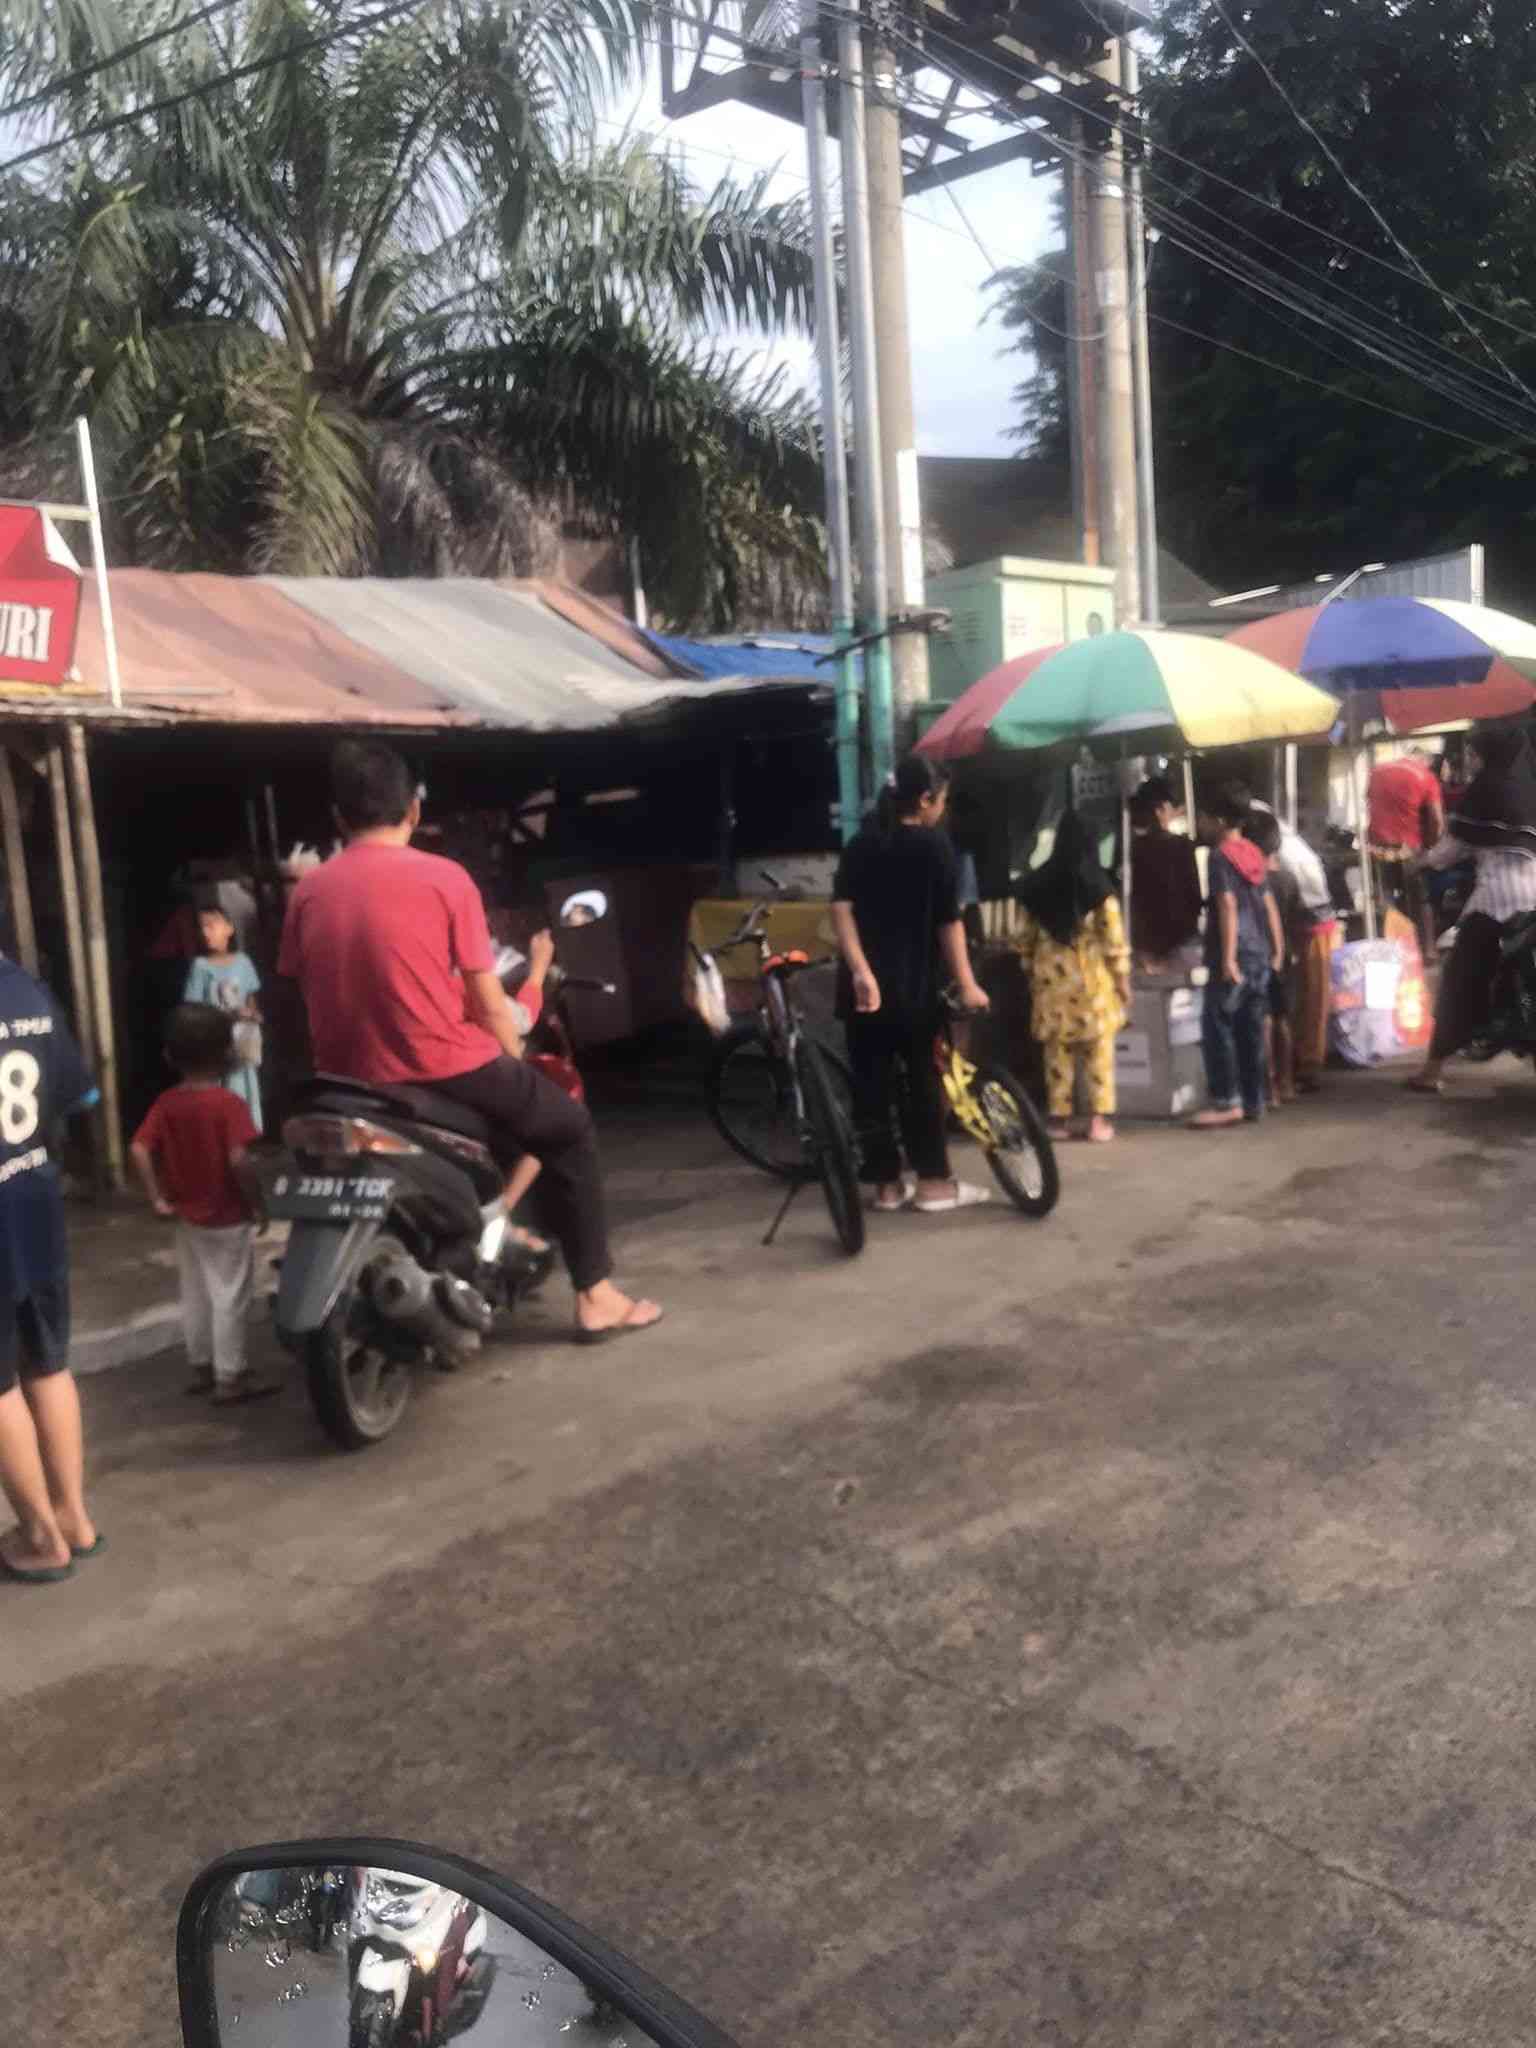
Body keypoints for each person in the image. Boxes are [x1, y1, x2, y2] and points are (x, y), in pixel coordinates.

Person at [278, 741, 659, 1341]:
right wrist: (515, 1056)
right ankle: (597, 1295)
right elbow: (485, 999)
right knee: (568, 1128)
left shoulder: (308, 892)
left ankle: (491, 1238)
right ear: (411, 810)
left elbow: (303, 988)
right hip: (440, 1065)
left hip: (345, 1079)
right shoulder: (444, 878)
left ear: (338, 818)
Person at [831, 755, 991, 1214]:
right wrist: (967, 982)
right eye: (941, 800)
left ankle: (885, 1186)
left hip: (863, 991)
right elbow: (949, 923)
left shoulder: (860, 844)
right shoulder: (934, 846)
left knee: (871, 1085)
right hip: (914, 989)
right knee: (922, 1082)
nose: (942, 809)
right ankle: (933, 1184)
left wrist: (861, 970)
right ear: (925, 800)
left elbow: (841, 911)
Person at [0, 951, 102, 1583]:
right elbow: (79, 1094)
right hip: (34, 1198)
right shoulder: (27, 989)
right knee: (48, 1361)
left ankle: (40, 1538)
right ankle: (73, 1517)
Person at [131, 1004, 276, 1406]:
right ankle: (230, 1377)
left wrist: (157, 1197)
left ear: (169, 1055)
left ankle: (201, 1367)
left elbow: (140, 1148)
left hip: (186, 1216)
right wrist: (258, 1204)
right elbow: (239, 1162)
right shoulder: (229, 1104)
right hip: (227, 1217)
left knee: (195, 1292)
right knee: (230, 1296)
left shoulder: (166, 1103)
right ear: (227, 1053)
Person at [1407, 727, 1536, 1094]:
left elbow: (1451, 850)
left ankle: (1432, 1071)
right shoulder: (1529, 786)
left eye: (1473, 753)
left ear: (1487, 754)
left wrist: (1420, 863)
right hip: (1534, 902)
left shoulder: (1485, 791)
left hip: (1496, 904)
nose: (1470, 760)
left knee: (1459, 985)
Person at [1013, 808, 1130, 1143]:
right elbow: (1114, 944)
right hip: (1093, 988)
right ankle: (1097, 1121)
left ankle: (1059, 1121)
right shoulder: (1100, 888)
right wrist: (1123, 985)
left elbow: (1022, 940)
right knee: (1098, 1057)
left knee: (1057, 1057)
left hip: (1051, 986)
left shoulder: (1035, 887)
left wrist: (1031, 973)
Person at [1190, 784, 1286, 1130]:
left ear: (1217, 820)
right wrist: (1277, 947)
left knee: (1217, 1025)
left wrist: (1228, 958)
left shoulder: (1220, 856)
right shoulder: (1252, 852)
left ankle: (1226, 1100)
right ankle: (1253, 1100)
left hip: (1232, 953)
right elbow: (1268, 903)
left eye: (1202, 817)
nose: (1199, 823)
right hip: (1259, 951)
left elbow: (1227, 904)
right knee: (1251, 1028)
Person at [183, 896, 264, 1131]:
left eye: (212, 924)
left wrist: (252, 1015)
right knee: (217, 1092)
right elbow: (192, 1010)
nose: (206, 931)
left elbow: (252, 1001)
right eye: (202, 927)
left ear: (229, 928)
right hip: (213, 1047)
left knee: (241, 1089)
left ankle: (244, 1137)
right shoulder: (200, 967)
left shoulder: (243, 962)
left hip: (241, 1045)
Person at [1243, 810, 1297, 1106]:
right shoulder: (1288, 879)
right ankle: (1286, 1083)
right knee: (1282, 1020)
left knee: (1263, 1020)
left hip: (1260, 955)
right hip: (1286, 955)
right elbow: (1300, 918)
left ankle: (1269, 1087)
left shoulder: (1252, 880)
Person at [1128, 776, 1203, 968]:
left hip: (1146, 941)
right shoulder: (1182, 846)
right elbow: (1193, 894)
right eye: (1172, 806)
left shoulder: (1133, 848)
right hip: (1179, 939)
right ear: (1160, 809)